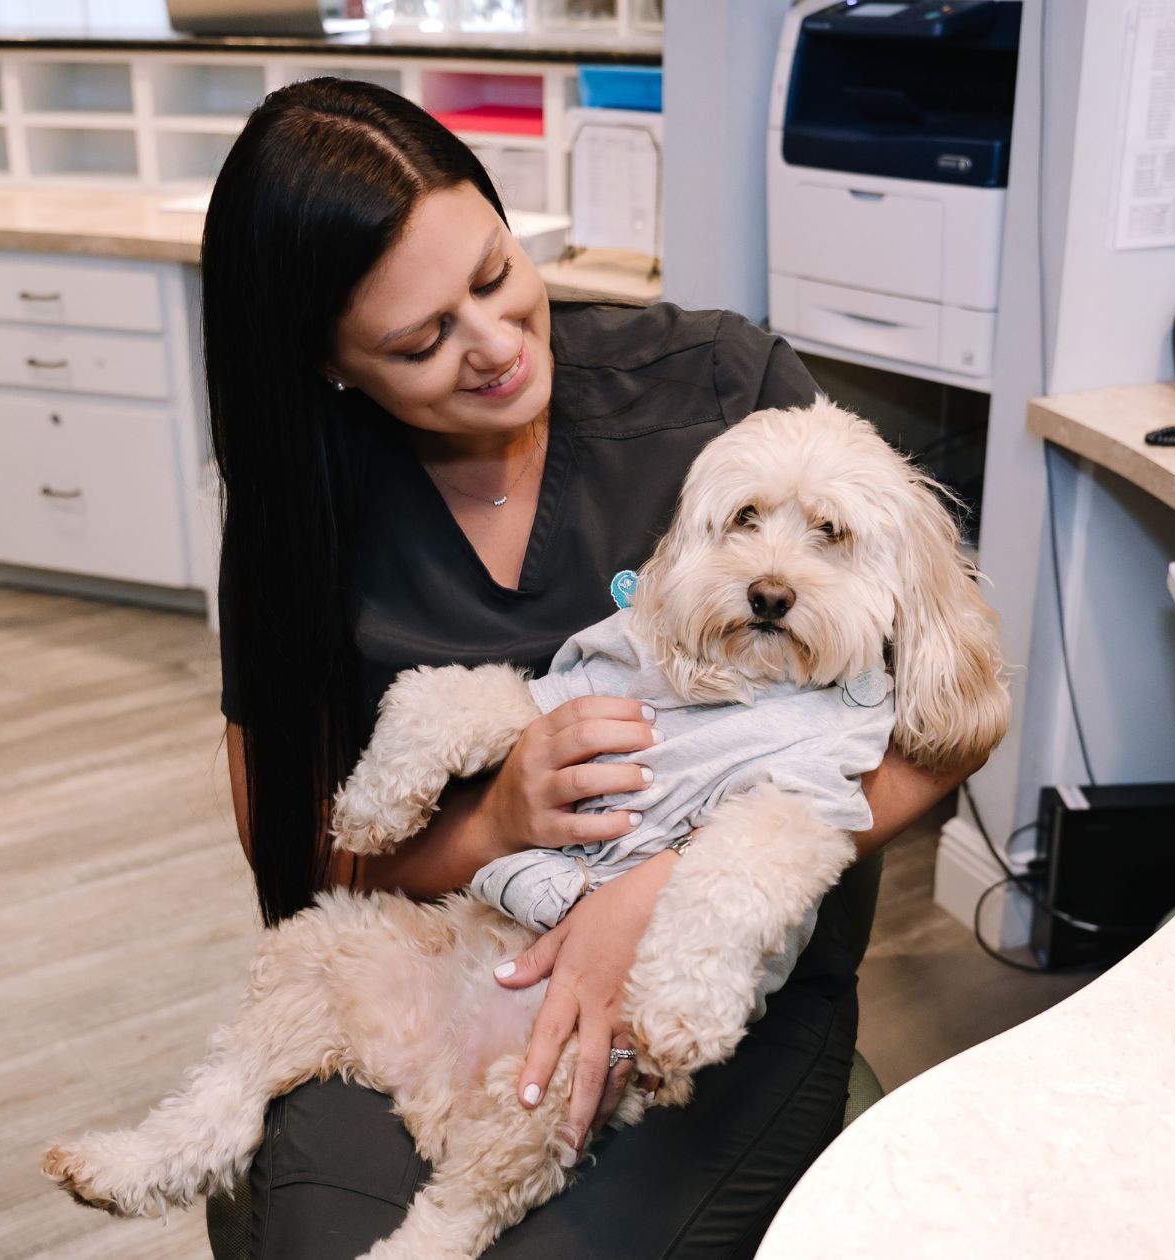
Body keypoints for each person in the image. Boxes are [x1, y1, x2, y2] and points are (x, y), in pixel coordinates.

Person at [205, 79, 983, 1259]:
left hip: (718, 1004)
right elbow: (295, 850)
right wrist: (494, 822)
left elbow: (949, 725)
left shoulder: (717, 391)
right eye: (421, 341)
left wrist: (658, 888)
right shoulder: (300, 521)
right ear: (330, 366)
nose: (497, 346)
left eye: (494, 274)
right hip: (444, 962)